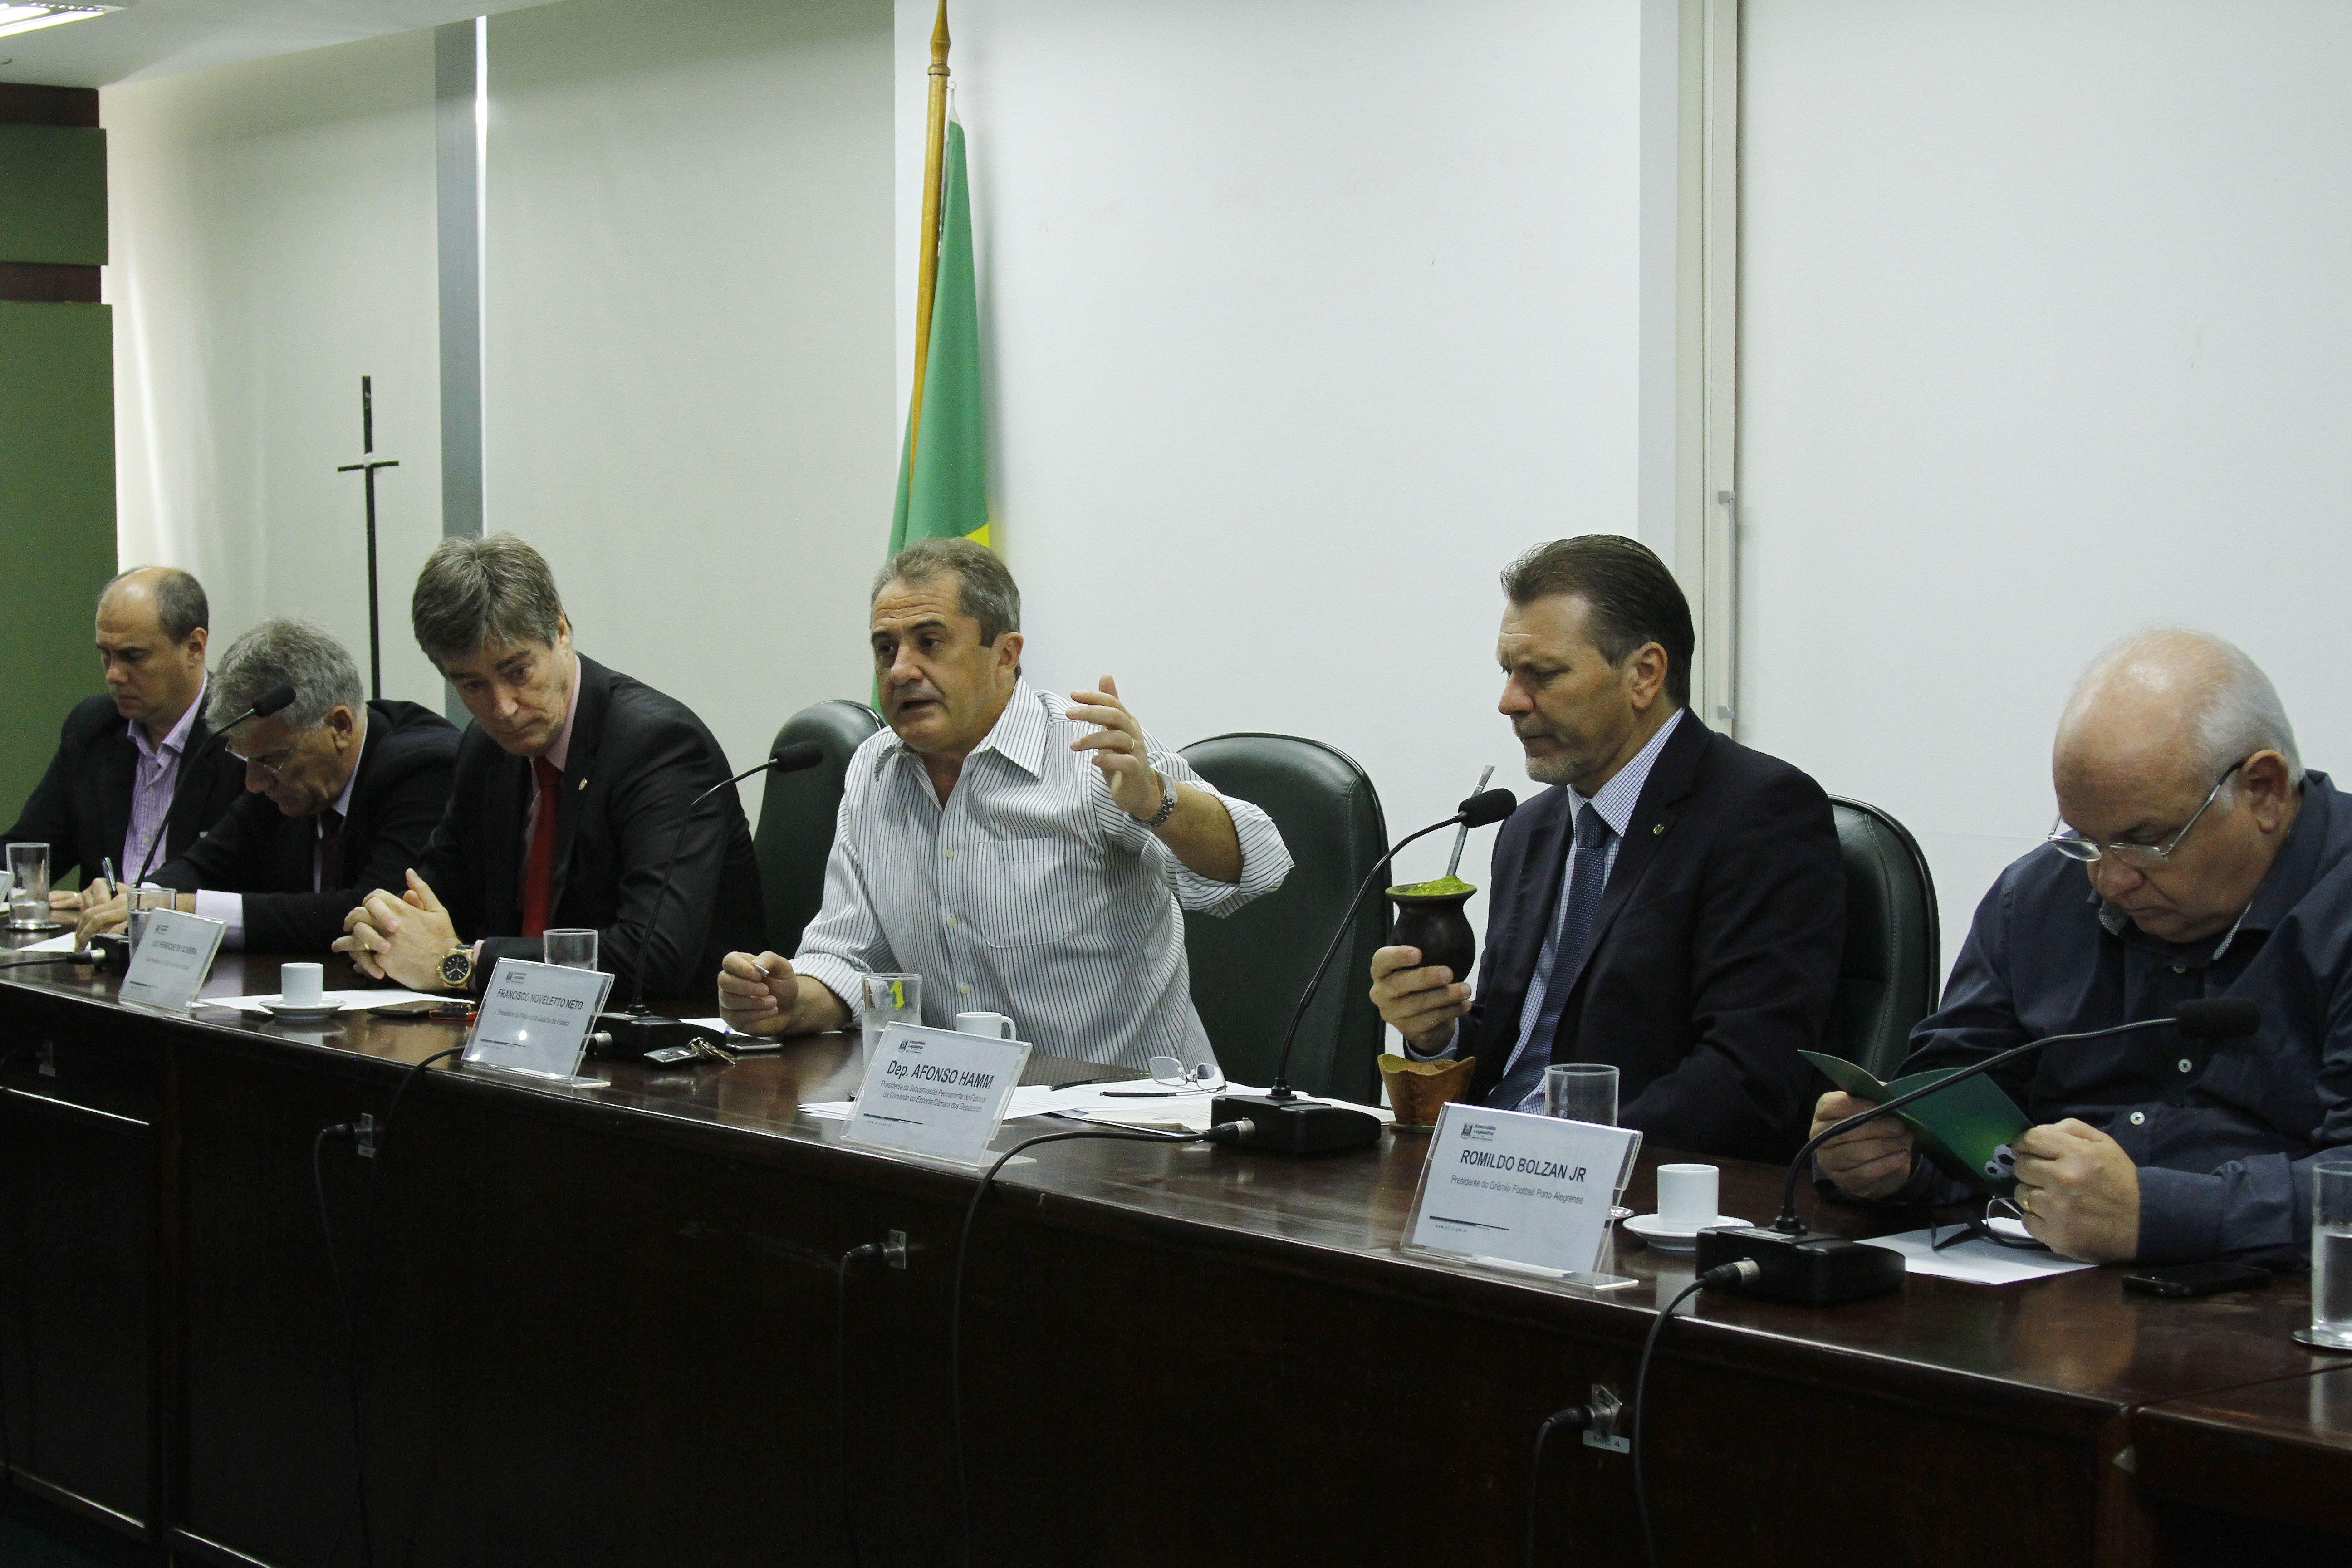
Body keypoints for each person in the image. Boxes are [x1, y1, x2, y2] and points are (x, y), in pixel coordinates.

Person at [1812, 629, 2352, 1268]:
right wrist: (1887, 1160)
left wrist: (2159, 1213)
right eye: (2084, 839)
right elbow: (1954, 1110)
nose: (2109, 879)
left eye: (2144, 842)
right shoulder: (2037, 897)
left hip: (2289, 1304)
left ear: (2263, 791)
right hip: (2034, 1283)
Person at [713, 538, 1291, 1074]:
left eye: (930, 642)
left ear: (1005, 655)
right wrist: (786, 1001)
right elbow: (854, 960)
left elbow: (1259, 862)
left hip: (1127, 1115)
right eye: (886, 648)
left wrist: (1156, 803)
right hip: (955, 1105)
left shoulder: (1085, 752)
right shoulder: (875, 770)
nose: (901, 670)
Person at [1367, 535, 1845, 1161]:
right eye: (1508, 672)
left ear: (1644, 675)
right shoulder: (1531, 829)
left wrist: (1554, 1154)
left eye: (1543, 674)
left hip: (1633, 1179)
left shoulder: (1760, 814)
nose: (1510, 701)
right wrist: (1437, 1034)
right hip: (1489, 1164)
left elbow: (1749, 1078)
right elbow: (1523, 1042)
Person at [333, 534, 762, 1000]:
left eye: (518, 672)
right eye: (473, 686)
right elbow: (435, 902)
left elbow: (651, 958)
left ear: (560, 630)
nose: (503, 708)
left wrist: (462, 964)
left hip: (668, 1031)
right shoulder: (485, 748)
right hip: (521, 1030)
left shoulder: (659, 747)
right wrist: (387, 934)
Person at [67, 619, 458, 953]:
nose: (253, 784)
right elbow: (205, 865)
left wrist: (183, 908)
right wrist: (140, 899)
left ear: (339, 727)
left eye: (269, 761)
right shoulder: (282, 773)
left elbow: (374, 913)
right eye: (247, 761)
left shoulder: (421, 768)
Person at [4, 567, 245, 902]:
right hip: (99, 934)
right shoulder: (93, 727)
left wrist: (141, 903)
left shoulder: (242, 737)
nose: (114, 675)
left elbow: (251, 887)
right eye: (106, 654)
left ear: (194, 647)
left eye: (133, 656)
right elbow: (29, 856)